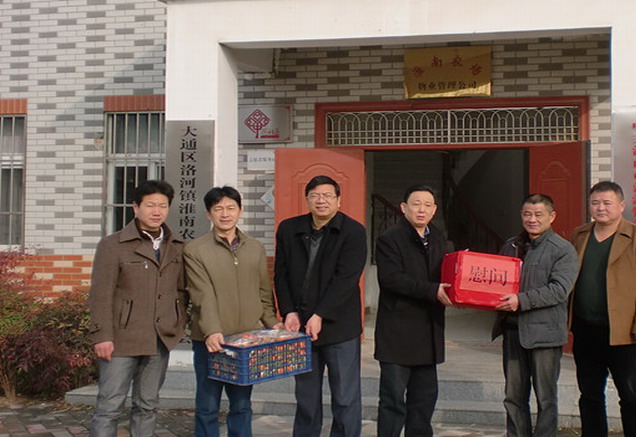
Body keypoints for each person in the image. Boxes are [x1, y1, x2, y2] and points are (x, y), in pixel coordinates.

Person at [88, 180, 188, 437]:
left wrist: (177, 322)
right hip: (121, 340)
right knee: (109, 406)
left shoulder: (177, 246)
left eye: (162, 206)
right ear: (136, 208)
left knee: (148, 405)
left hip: (159, 339)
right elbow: (100, 294)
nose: (157, 211)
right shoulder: (113, 245)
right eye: (150, 205)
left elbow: (181, 291)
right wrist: (102, 335)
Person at [184, 186, 283, 437]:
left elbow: (263, 290)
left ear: (240, 211)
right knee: (208, 405)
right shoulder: (195, 250)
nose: (225, 214)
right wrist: (211, 331)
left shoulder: (255, 247)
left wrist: (272, 323)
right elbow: (201, 294)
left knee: (241, 405)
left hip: (245, 341)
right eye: (218, 209)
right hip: (210, 341)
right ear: (208, 214)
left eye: (230, 208)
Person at [273, 175, 368, 437]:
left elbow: (346, 279)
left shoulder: (353, 231)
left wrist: (320, 314)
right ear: (307, 199)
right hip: (301, 327)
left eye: (327, 195)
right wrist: (289, 311)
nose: (321, 200)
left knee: (345, 398)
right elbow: (281, 274)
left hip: (340, 328)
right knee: (306, 398)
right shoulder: (289, 229)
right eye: (315, 195)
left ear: (339, 200)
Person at [570, 181, 636, 437]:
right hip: (585, 329)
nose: (600, 208)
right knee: (589, 393)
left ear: (621, 206)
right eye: (595, 203)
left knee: (630, 393)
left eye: (607, 203)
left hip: (623, 332)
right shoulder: (580, 235)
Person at [493, 193, 579, 437]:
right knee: (513, 396)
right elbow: (496, 281)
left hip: (545, 335)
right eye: (527, 214)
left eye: (539, 214)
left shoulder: (563, 250)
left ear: (552, 217)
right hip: (513, 331)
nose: (532, 219)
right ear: (521, 215)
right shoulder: (511, 245)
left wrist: (521, 300)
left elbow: (559, 290)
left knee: (545, 397)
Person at [373, 185, 453, 437]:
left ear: (434, 210)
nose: (421, 209)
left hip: (429, 331)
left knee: (424, 399)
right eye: (416, 204)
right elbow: (391, 279)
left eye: (427, 205)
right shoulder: (389, 238)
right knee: (393, 400)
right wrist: (432, 290)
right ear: (403, 207)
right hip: (397, 333)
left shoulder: (438, 238)